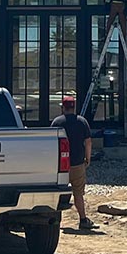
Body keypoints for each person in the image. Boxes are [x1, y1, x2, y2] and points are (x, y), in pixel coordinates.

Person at [52, 95, 94, 230]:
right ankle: (83, 219)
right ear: (74, 107)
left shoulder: (57, 122)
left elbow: (52, 142)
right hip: (77, 163)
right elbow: (88, 142)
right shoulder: (82, 122)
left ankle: (55, 221)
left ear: (63, 107)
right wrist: (88, 158)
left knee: (56, 193)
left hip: (59, 165)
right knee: (78, 193)